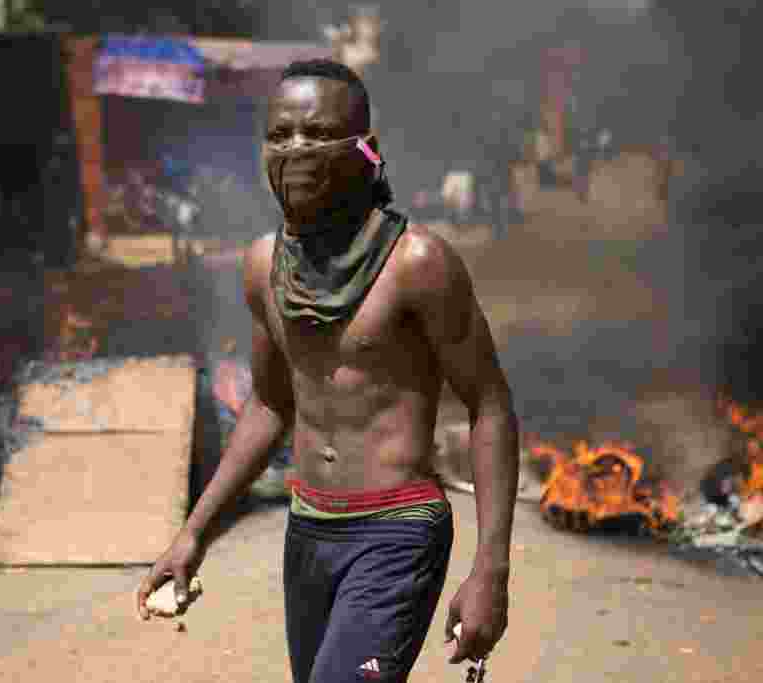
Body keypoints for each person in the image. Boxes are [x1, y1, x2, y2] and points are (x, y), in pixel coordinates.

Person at [138, 59, 520, 683]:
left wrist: (491, 570)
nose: (295, 151)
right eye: (280, 134)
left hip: (398, 530)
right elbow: (268, 405)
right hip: (308, 531)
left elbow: (490, 405)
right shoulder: (264, 265)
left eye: (316, 134)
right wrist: (194, 534)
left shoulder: (418, 263)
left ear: (366, 149)